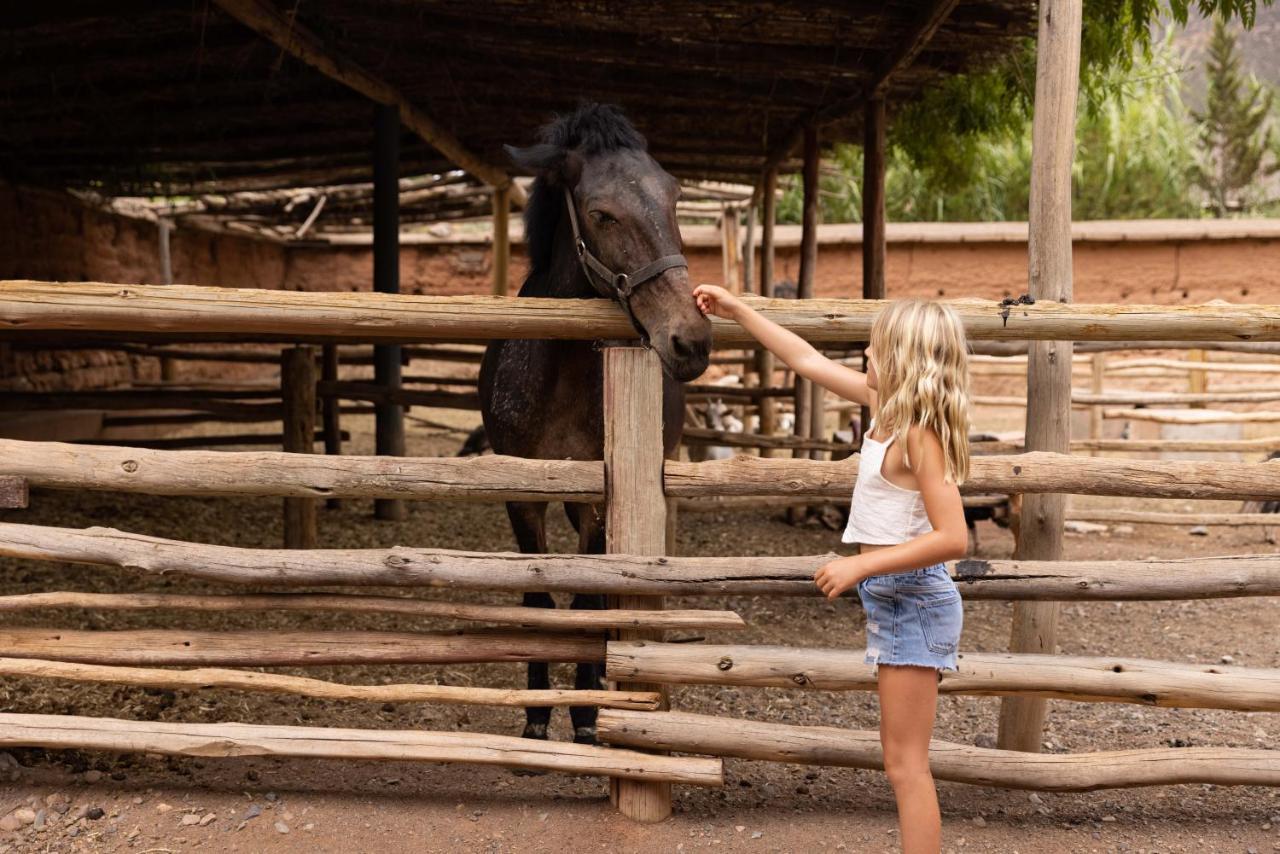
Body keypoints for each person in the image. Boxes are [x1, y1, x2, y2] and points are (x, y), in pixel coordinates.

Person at [692, 286, 971, 854]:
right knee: (899, 762)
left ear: (902, 359)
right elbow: (805, 360)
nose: (865, 355)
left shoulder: (918, 435)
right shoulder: (888, 413)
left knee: (906, 767)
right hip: (897, 598)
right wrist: (740, 312)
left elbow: (953, 538)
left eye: (875, 347)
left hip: (914, 601)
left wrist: (859, 565)